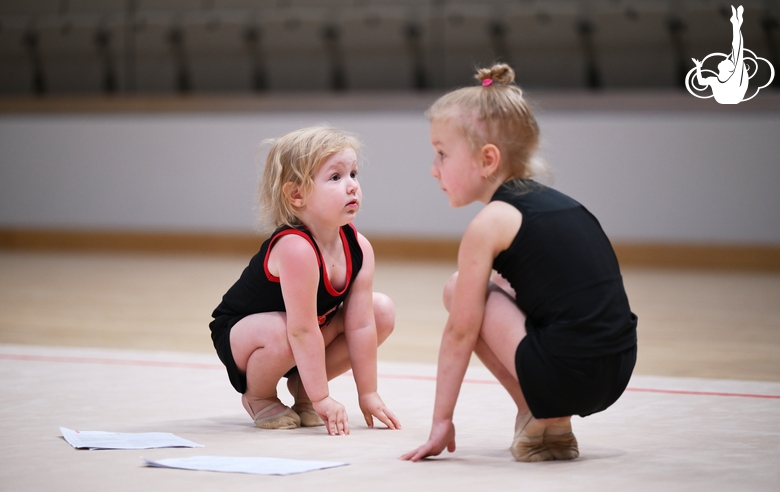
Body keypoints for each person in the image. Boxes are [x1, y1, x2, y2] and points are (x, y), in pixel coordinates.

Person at [401, 64, 637, 462]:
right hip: (617, 371)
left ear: (488, 159)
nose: (433, 168)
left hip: (566, 372)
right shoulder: (564, 205)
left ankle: (539, 412)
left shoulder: (489, 223)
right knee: (506, 287)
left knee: (460, 290)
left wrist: (442, 421)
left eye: (442, 153)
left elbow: (460, 331)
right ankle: (549, 421)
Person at [209, 125, 400, 436]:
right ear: (297, 194)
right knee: (283, 330)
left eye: (353, 174)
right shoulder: (295, 247)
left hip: (302, 331)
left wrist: (368, 393)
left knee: (381, 311)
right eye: (336, 177)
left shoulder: (360, 247)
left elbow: (361, 325)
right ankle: (260, 395)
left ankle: (302, 390)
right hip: (245, 336)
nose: (352, 186)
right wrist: (323, 397)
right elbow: (300, 329)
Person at [692, 5, 748, 104]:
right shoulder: (714, 80)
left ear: (729, 69)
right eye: (728, 60)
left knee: (737, 51)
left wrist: (736, 26)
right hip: (726, 98)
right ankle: (736, 24)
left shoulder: (734, 78)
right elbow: (701, 82)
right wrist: (698, 67)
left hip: (733, 97)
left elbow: (737, 48)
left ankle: (736, 24)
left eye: (727, 61)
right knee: (736, 51)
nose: (725, 59)